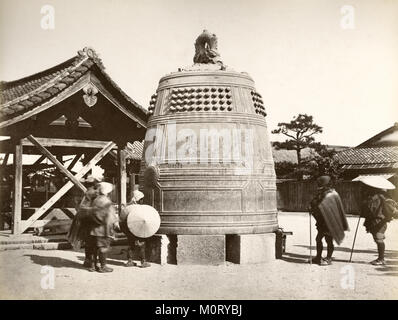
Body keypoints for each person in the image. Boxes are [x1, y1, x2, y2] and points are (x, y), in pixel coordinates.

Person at [309, 175, 349, 266]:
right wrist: (312, 206)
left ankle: (329, 258)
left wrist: (317, 206)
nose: (318, 185)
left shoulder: (332, 194)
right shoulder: (322, 192)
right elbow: (316, 202)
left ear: (325, 184)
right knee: (318, 239)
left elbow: (329, 207)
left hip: (330, 221)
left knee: (328, 240)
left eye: (320, 183)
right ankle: (318, 257)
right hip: (322, 221)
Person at [360, 179, 398, 266]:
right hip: (374, 221)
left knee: (378, 239)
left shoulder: (381, 197)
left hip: (379, 221)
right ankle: (380, 258)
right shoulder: (374, 196)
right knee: (377, 238)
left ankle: (381, 259)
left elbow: (389, 210)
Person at [67, 175, 99, 269]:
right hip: (91, 217)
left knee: (87, 240)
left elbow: (80, 206)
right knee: (95, 241)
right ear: (94, 184)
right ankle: (93, 262)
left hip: (82, 218)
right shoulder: (95, 193)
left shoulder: (85, 192)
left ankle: (87, 260)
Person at [87, 182, 118, 273]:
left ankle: (93, 266)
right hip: (103, 229)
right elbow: (110, 217)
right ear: (107, 192)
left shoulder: (95, 199)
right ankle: (103, 266)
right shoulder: (106, 201)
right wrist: (112, 229)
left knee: (94, 248)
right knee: (103, 247)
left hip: (94, 228)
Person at [119, 190, 151, 268]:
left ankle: (130, 261)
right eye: (141, 199)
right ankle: (143, 262)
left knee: (131, 245)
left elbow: (122, 219)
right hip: (138, 230)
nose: (142, 201)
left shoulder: (128, 208)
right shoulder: (140, 208)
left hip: (129, 230)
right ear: (139, 199)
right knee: (142, 245)